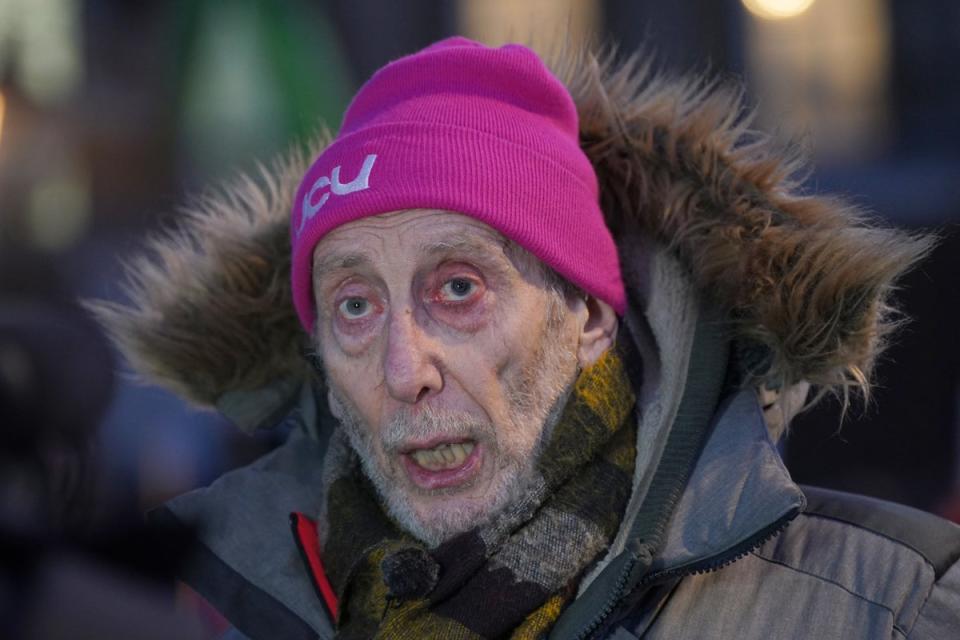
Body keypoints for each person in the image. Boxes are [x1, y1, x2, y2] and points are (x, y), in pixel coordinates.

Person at [93, 37, 960, 639]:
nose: (404, 370)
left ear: (586, 317)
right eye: (354, 307)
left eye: (459, 288)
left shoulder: (888, 610)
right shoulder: (239, 614)